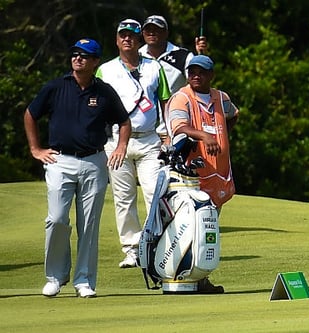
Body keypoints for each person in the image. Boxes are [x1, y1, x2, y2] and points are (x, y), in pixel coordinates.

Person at [24, 38, 132, 297]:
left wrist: (120, 148)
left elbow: (124, 121)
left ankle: (83, 280)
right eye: (75, 54)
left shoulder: (104, 91)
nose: (78, 58)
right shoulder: (56, 87)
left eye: (85, 55)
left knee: (90, 225)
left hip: (94, 161)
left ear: (95, 62)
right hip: (60, 160)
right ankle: (55, 277)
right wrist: (35, 149)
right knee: (57, 219)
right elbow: (30, 114)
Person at [96, 19, 172, 269]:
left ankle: (157, 245)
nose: (127, 39)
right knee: (123, 197)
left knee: (154, 194)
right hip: (116, 141)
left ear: (139, 40)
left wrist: (168, 133)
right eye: (123, 35)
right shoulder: (105, 70)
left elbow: (165, 104)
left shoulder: (154, 68)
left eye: (132, 35)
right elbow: (96, 105)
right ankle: (131, 249)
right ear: (117, 40)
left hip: (150, 139)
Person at [165, 55, 239, 293]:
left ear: (211, 75)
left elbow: (234, 115)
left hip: (217, 172)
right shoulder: (182, 97)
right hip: (191, 176)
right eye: (192, 71)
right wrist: (206, 136)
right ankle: (185, 277)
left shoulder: (221, 98)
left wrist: (222, 137)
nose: (196, 75)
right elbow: (179, 127)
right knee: (193, 228)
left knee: (208, 230)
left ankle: (201, 279)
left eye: (202, 72)